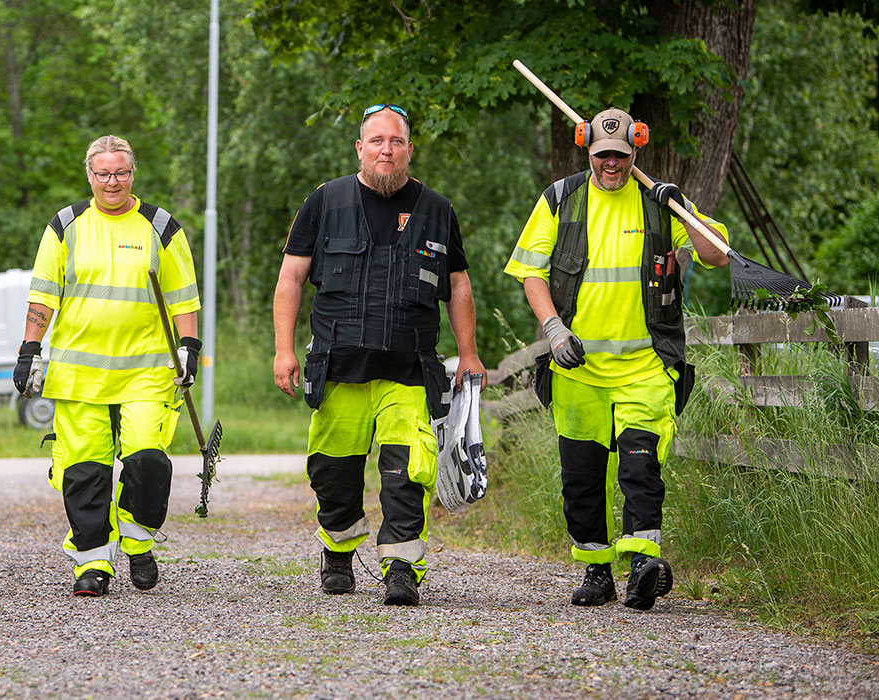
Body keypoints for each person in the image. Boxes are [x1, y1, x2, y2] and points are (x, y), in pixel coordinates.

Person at [503, 107, 729, 611]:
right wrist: (554, 328)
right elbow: (531, 272)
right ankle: (597, 569)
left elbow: (715, 255)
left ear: (636, 150)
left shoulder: (658, 203)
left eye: (621, 156)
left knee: (640, 466)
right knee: (581, 478)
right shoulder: (561, 199)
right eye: (602, 155)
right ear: (587, 149)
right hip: (577, 367)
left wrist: (682, 211)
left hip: (647, 366)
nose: (611, 164)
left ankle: (643, 563)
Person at [272, 103, 486, 607]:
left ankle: (402, 567)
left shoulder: (437, 209)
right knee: (333, 472)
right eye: (376, 141)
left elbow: (458, 286)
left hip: (408, 369)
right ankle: (339, 551)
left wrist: (469, 353)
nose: (386, 150)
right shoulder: (325, 202)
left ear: (410, 149)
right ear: (359, 148)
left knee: (407, 469)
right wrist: (284, 350)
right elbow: (290, 279)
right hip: (339, 368)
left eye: (395, 141)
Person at [14, 135, 202, 597]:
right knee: (84, 471)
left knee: (147, 460)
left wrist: (190, 346)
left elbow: (183, 297)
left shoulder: (160, 226)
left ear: (132, 174)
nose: (112, 181)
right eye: (103, 173)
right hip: (80, 374)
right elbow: (43, 295)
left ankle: (138, 541)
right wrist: (29, 349)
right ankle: (93, 563)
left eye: (120, 172)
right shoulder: (65, 226)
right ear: (90, 175)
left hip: (146, 371)